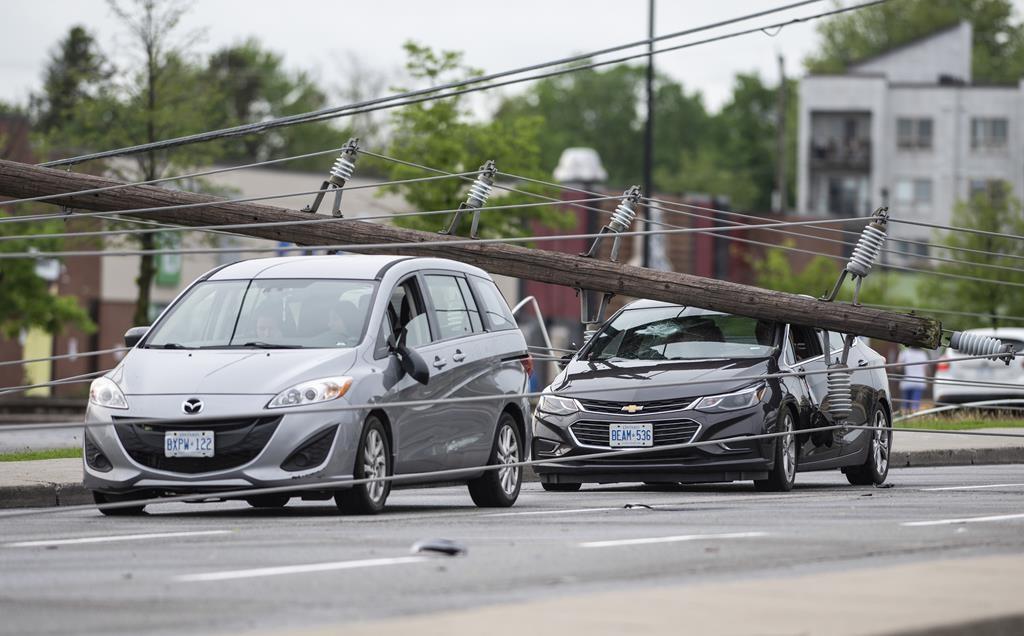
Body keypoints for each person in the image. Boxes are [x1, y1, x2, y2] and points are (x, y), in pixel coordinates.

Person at [896, 345, 929, 412]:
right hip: (919, 382)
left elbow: (898, 367)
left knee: (905, 404)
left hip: (906, 382)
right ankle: (914, 418)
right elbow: (925, 369)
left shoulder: (904, 353)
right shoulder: (923, 354)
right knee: (915, 404)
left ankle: (904, 419)